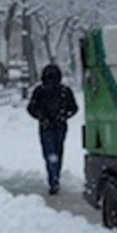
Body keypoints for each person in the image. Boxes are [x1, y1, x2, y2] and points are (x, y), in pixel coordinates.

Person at [27, 64, 78, 195]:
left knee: (50, 153)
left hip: (47, 127)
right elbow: (73, 108)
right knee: (57, 152)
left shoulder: (40, 91)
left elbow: (31, 108)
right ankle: (55, 176)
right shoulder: (63, 91)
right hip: (57, 126)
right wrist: (63, 116)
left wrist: (42, 117)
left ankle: (53, 177)